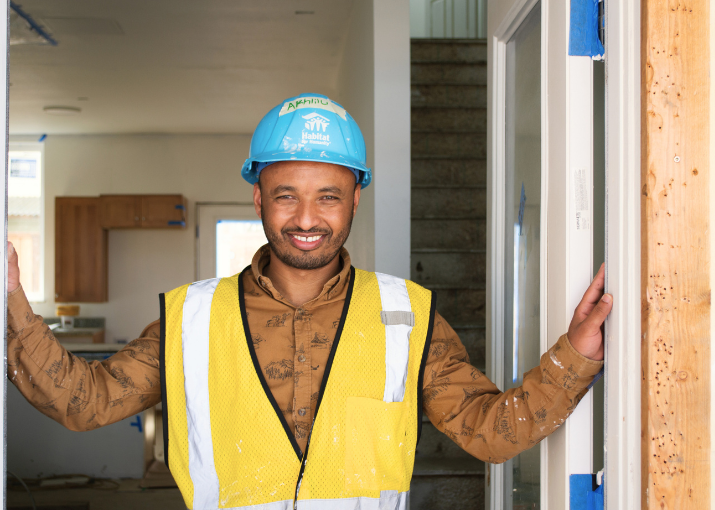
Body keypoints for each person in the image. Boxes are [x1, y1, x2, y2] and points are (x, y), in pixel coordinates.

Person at [6, 93, 612, 510]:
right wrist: (13, 301)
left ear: (354, 202)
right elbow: (81, 402)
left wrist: (574, 356)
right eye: (285, 195)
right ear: (258, 199)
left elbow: (491, 431)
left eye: (328, 197)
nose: (306, 218)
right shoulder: (191, 319)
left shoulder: (405, 316)